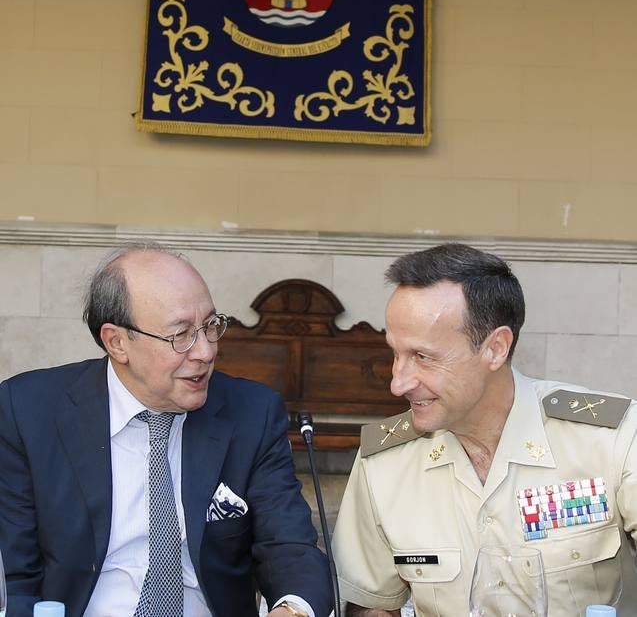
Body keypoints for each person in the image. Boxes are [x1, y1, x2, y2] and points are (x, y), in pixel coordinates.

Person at [0, 243, 331, 617]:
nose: (205, 352)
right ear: (117, 342)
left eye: (210, 326)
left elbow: (290, 547)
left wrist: (294, 609)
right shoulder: (28, 411)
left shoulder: (251, 413)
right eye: (181, 335)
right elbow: (15, 576)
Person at [332, 243, 637, 616]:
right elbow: (371, 605)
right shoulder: (384, 463)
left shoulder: (610, 439)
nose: (399, 382)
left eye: (423, 357)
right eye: (395, 353)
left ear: (495, 348)